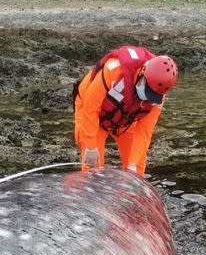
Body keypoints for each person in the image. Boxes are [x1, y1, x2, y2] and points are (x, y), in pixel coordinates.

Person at [73, 46, 178, 175]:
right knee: (92, 166)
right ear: (142, 74)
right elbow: (91, 106)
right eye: (147, 91)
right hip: (93, 112)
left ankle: (132, 194)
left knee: (137, 170)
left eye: (152, 95)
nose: (147, 97)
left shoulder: (157, 95)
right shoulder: (114, 70)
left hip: (125, 119)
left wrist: (132, 165)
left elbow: (144, 132)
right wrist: (90, 145)